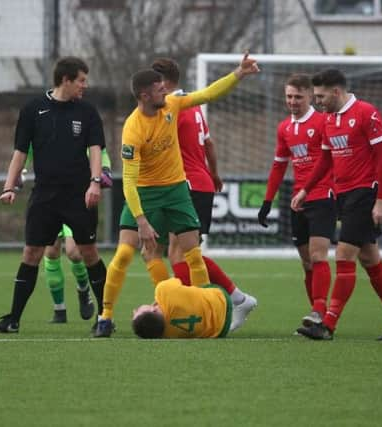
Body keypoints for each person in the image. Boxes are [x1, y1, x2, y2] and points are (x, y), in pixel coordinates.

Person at [94, 52, 260, 338]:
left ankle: (212, 314)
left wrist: (239, 74)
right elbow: (130, 182)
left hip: (177, 191)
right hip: (145, 193)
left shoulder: (172, 104)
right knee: (123, 254)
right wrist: (142, 220)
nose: (166, 92)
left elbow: (208, 94)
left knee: (192, 256)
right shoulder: (133, 129)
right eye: (160, 89)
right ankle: (105, 317)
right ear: (145, 96)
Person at [292, 68, 382, 341]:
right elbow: (325, 160)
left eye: (321, 96)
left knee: (344, 256)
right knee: (370, 259)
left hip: (365, 194)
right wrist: (305, 190)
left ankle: (328, 325)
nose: (318, 101)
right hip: (343, 195)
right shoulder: (328, 120)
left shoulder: (365, 112)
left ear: (336, 91)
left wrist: (381, 200)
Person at [0, 56, 107, 333]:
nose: (85, 86)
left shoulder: (88, 112)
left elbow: (95, 151)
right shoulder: (33, 109)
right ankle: (13, 319)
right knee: (31, 252)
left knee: (88, 252)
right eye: (81, 80)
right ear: (65, 80)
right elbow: (20, 152)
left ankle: (104, 318)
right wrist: (9, 187)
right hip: (44, 195)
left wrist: (94, 183)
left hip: (79, 195)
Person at [146, 58, 254, 332]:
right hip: (198, 182)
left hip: (188, 185)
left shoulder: (173, 107)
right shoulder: (191, 107)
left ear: (164, 82)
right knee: (177, 252)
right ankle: (193, 306)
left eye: (153, 82)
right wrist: (214, 173)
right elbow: (209, 144)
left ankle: (233, 299)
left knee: (181, 253)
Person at [257, 73, 335, 331]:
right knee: (306, 262)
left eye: (298, 97)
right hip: (298, 201)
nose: (292, 101)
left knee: (318, 255)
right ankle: (316, 317)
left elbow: (331, 161)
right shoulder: (284, 128)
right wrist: (268, 201)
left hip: (323, 196)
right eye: (289, 96)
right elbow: (279, 167)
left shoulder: (324, 122)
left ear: (310, 96)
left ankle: (318, 311)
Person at [17, 147, 113, 324]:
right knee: (51, 252)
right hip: (49, 196)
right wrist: (19, 172)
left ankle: (83, 288)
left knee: (74, 253)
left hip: (75, 197)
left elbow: (98, 148)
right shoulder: (42, 122)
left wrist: (104, 169)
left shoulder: (79, 121)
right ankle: (59, 309)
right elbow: (27, 149)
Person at [131, 277, 233, 339]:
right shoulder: (164, 291)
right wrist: (153, 260)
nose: (134, 310)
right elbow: (178, 278)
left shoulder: (166, 335)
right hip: (222, 299)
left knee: (187, 295)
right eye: (137, 312)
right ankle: (240, 297)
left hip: (220, 331)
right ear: (153, 310)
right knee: (182, 258)